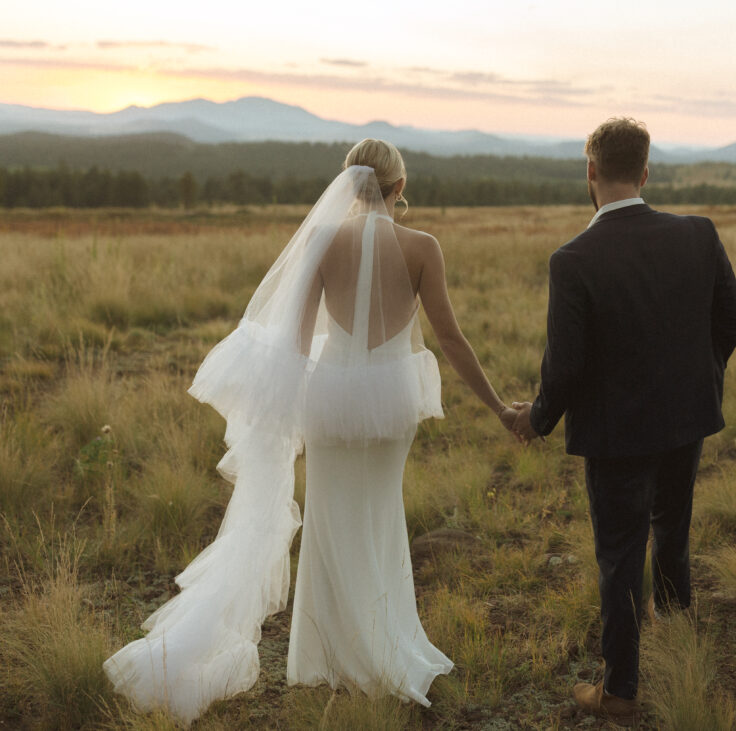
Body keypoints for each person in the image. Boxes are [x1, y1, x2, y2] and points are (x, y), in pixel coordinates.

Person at [104, 139, 519, 723]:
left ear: (348, 185)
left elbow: (297, 345)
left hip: (330, 401)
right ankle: (385, 646)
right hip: (392, 404)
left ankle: (331, 656)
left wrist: (274, 420)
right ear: (399, 188)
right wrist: (501, 408)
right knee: (380, 518)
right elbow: (451, 339)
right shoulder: (423, 246)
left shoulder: (323, 241)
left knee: (328, 524)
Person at [511, 118, 736, 725]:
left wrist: (536, 419)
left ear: (590, 171)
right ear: (645, 172)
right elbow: (734, 322)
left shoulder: (573, 260)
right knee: (672, 531)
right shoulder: (698, 234)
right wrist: (697, 378)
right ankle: (674, 638)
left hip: (617, 438)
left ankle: (620, 691)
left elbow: (563, 368)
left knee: (619, 556)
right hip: (687, 418)